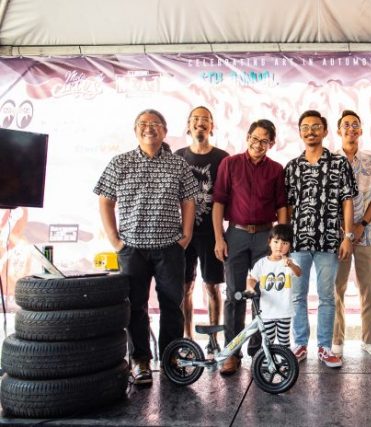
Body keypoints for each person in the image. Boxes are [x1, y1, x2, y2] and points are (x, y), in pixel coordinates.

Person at [94, 109, 198, 385]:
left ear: (165, 131)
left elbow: (189, 200)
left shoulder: (178, 164)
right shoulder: (120, 162)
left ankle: (171, 357)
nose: (149, 128)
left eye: (155, 124)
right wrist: (115, 240)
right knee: (135, 306)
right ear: (135, 130)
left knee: (172, 304)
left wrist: (186, 236)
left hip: (170, 247)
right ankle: (140, 360)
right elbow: (105, 200)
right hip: (132, 249)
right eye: (143, 123)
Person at [213, 119, 287, 375]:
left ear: (271, 144)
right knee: (235, 294)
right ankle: (231, 353)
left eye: (264, 141)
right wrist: (219, 238)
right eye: (255, 139)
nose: (258, 144)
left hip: (266, 237)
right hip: (236, 235)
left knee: (264, 294)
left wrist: (281, 241)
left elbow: (282, 206)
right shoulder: (230, 164)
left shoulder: (276, 170)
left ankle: (259, 351)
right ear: (247, 138)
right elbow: (219, 202)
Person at [285, 110, 357, 368]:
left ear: (325, 131)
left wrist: (347, 236)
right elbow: (288, 206)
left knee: (327, 296)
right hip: (298, 242)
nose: (310, 131)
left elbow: (347, 201)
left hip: (329, 241)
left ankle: (325, 347)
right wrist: (284, 240)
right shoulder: (292, 167)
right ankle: (300, 344)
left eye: (316, 126)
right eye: (305, 127)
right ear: (300, 132)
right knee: (297, 296)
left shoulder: (339, 163)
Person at [331, 110, 371, 359]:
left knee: (368, 288)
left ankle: (369, 339)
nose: (350, 128)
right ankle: (336, 340)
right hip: (337, 235)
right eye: (346, 125)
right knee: (336, 288)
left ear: (361, 131)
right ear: (338, 130)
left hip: (368, 233)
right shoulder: (330, 160)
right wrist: (345, 229)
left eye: (355, 125)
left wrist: (362, 224)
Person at [175, 106, 228, 352]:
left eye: (205, 119)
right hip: (182, 235)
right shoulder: (178, 157)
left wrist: (220, 237)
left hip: (211, 234)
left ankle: (214, 340)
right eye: (195, 119)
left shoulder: (222, 158)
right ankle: (188, 338)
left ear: (212, 126)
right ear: (188, 125)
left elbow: (226, 198)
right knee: (185, 288)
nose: (200, 123)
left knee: (212, 287)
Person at [246, 224, 301, 346]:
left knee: (284, 341)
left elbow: (298, 273)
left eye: (284, 243)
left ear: (290, 246)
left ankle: (284, 358)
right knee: (267, 341)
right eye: (276, 242)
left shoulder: (290, 262)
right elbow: (252, 278)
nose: (279, 246)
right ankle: (267, 359)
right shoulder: (262, 263)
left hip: (284, 311)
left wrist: (291, 265)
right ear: (269, 242)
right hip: (267, 312)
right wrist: (250, 288)